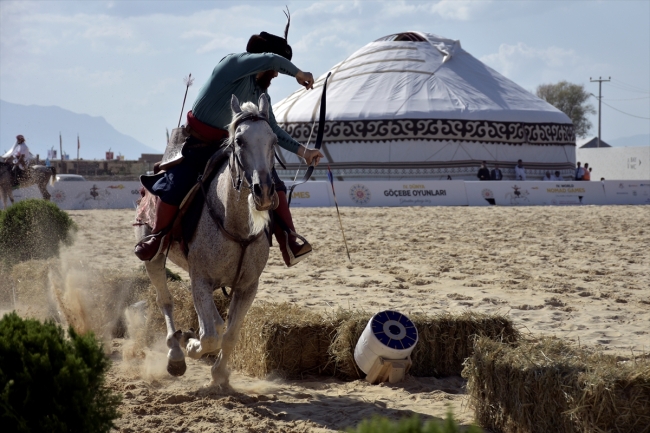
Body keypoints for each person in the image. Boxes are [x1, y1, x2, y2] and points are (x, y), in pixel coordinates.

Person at [135, 16, 323, 267]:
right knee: (174, 185)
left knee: (272, 182)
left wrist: (304, 152)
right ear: (264, 60)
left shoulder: (259, 92)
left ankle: (289, 239)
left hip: (228, 147)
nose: (277, 74)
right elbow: (272, 60)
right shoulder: (232, 64)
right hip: (195, 144)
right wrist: (298, 73)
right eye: (277, 68)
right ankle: (157, 238)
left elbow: (273, 129)